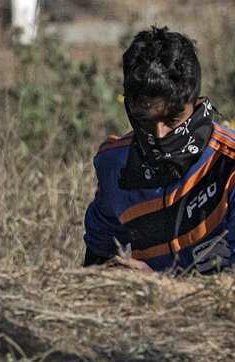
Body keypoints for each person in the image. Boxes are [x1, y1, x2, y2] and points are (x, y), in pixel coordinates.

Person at [83, 26, 235, 274]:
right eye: (145, 121)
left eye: (173, 120)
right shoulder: (115, 166)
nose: (160, 135)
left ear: (195, 103)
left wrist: (157, 285)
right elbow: (96, 263)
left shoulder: (229, 165)